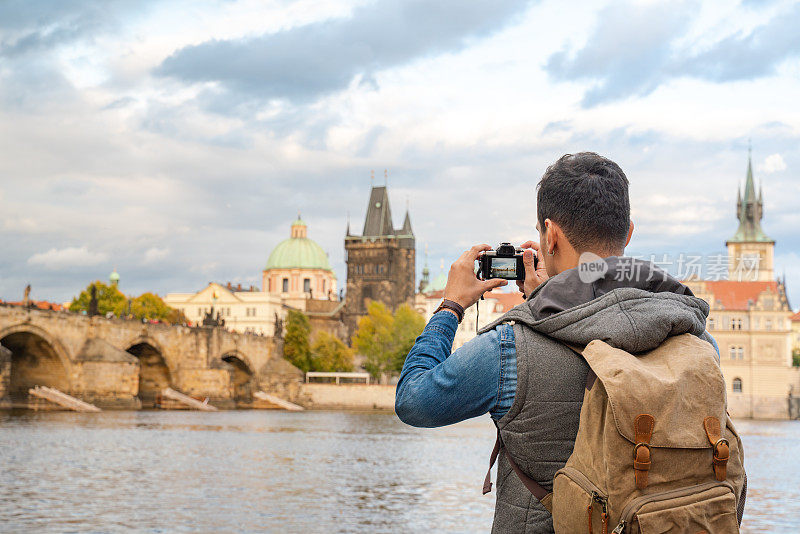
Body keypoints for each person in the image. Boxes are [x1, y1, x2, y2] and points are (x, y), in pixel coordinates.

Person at [395, 152, 721, 533]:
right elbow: (607, 318)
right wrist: (547, 298)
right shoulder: (694, 335)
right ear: (628, 232)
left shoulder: (510, 346)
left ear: (550, 235)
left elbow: (414, 401)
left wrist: (451, 306)